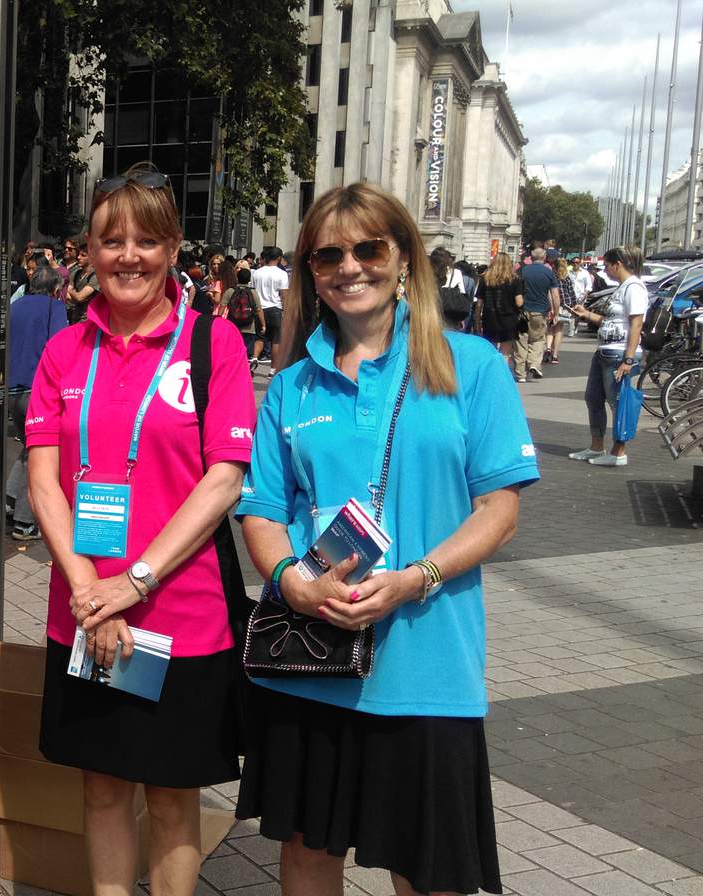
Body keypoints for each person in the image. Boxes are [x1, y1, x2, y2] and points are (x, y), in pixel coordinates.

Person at [235, 182, 537, 896]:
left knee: (430, 872)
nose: (349, 266)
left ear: (402, 258)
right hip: (313, 661)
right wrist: (290, 583)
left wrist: (416, 578)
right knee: (309, 853)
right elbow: (262, 511)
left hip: (428, 669)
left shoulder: (472, 366)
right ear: (309, 270)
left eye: (368, 248)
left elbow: (499, 507)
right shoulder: (293, 386)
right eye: (327, 254)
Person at [24, 164, 256, 896]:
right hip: (86, 612)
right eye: (111, 240)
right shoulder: (65, 350)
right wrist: (92, 589)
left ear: (174, 248)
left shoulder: (210, 345)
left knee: (169, 794)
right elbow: (41, 477)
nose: (129, 256)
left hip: (180, 617)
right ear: (87, 253)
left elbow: (224, 479)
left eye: (147, 241)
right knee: (100, 786)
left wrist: (135, 581)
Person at [568, 245, 648, 467]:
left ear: (617, 265)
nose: (606, 272)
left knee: (617, 402)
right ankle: (596, 446)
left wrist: (628, 359)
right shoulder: (622, 287)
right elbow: (613, 322)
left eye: (607, 266)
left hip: (618, 353)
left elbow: (636, 323)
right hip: (605, 350)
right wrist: (588, 315)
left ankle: (618, 450)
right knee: (593, 398)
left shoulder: (634, 287)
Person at [5, 265, 68, 541]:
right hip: (37, 390)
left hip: (10, 390)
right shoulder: (54, 308)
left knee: (30, 447)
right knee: (41, 453)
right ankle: (24, 522)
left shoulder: (15, 306)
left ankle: (10, 497)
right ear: (56, 288)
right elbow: (59, 347)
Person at [515, 247, 558, 381]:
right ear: (544, 257)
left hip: (523, 311)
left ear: (531, 257)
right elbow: (555, 295)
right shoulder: (548, 273)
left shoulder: (522, 270)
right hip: (540, 311)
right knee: (538, 339)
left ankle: (520, 373)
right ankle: (534, 364)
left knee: (521, 341)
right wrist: (555, 312)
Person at [476, 260, 524, 376]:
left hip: (489, 318)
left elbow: (479, 304)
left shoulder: (485, 280)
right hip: (509, 318)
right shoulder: (515, 280)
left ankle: (490, 373)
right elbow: (519, 302)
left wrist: (477, 320)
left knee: (490, 348)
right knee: (505, 352)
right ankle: (501, 375)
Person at [251, 246, 289, 371]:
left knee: (260, 337)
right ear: (279, 258)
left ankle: (255, 358)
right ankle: (273, 369)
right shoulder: (282, 274)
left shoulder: (257, 272)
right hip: (275, 308)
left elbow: (253, 292)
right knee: (275, 340)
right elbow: (284, 295)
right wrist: (286, 310)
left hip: (259, 309)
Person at [547, 257, 576, 365]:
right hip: (564, 306)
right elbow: (571, 292)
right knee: (559, 329)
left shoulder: (551, 277)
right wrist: (574, 304)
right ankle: (555, 355)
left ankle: (548, 347)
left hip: (552, 304)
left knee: (550, 327)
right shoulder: (566, 278)